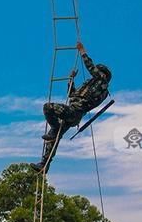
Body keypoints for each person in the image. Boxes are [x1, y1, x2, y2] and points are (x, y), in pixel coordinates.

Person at [31, 41, 112, 172]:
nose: (97, 73)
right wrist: (71, 79)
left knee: (48, 108)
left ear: (104, 75)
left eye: (100, 72)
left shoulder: (102, 84)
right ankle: (44, 164)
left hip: (75, 112)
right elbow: (72, 94)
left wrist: (82, 51)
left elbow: (91, 68)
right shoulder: (90, 85)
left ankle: (54, 128)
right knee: (54, 138)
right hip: (72, 112)